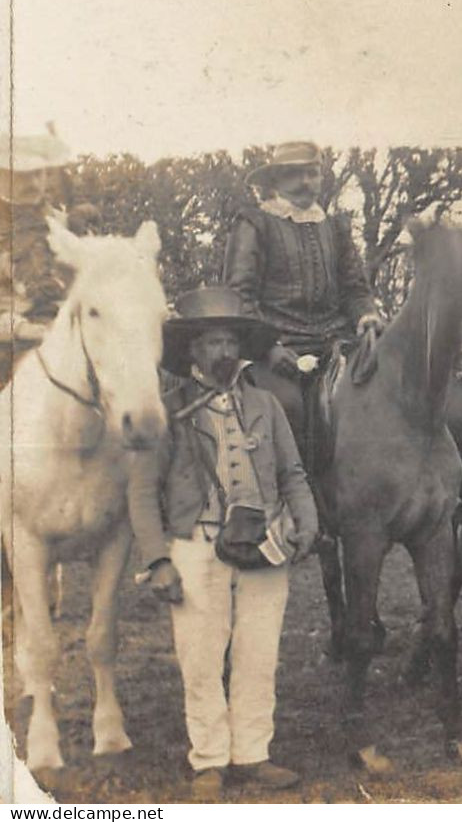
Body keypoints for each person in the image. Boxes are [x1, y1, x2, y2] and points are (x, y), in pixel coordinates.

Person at [127, 287, 319, 800]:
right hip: (197, 546)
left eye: (230, 340)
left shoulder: (266, 404)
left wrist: (308, 519)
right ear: (192, 350)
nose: (223, 352)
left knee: (259, 653)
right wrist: (159, 559)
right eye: (212, 341)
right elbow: (143, 492)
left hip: (265, 544)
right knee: (201, 656)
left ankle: (253, 754)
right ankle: (209, 759)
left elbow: (293, 472)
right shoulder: (167, 412)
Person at [223, 141, 384, 463]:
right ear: (276, 181)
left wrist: (366, 314)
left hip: (335, 342)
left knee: (380, 395)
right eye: (296, 174)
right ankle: (291, 500)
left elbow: (354, 288)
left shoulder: (335, 227)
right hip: (277, 346)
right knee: (286, 407)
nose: (306, 182)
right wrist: (267, 347)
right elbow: (240, 295)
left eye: (313, 173)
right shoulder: (255, 223)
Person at [0, 129, 77, 381]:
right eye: (23, 175)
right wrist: (19, 328)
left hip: (66, 337)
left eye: (40, 173)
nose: (35, 183)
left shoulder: (60, 222)